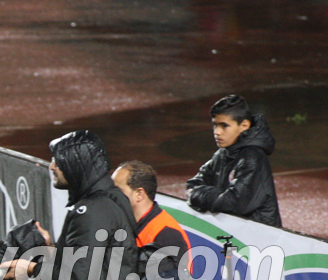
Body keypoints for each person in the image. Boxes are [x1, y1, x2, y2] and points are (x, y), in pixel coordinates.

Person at [2, 130, 140, 280]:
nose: (52, 166)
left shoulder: (93, 211)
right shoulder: (109, 200)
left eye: (59, 161)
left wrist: (32, 268)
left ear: (78, 164)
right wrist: (53, 251)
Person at [186, 95, 282, 228]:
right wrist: (213, 195)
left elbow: (234, 203)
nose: (217, 132)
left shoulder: (253, 157)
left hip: (258, 240)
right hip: (235, 235)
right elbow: (193, 184)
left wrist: (199, 195)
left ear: (244, 125)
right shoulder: (223, 154)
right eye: (215, 125)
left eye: (224, 126)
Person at [112, 160, 191, 271]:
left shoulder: (166, 234)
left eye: (118, 190)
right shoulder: (124, 223)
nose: (110, 195)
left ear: (139, 194)